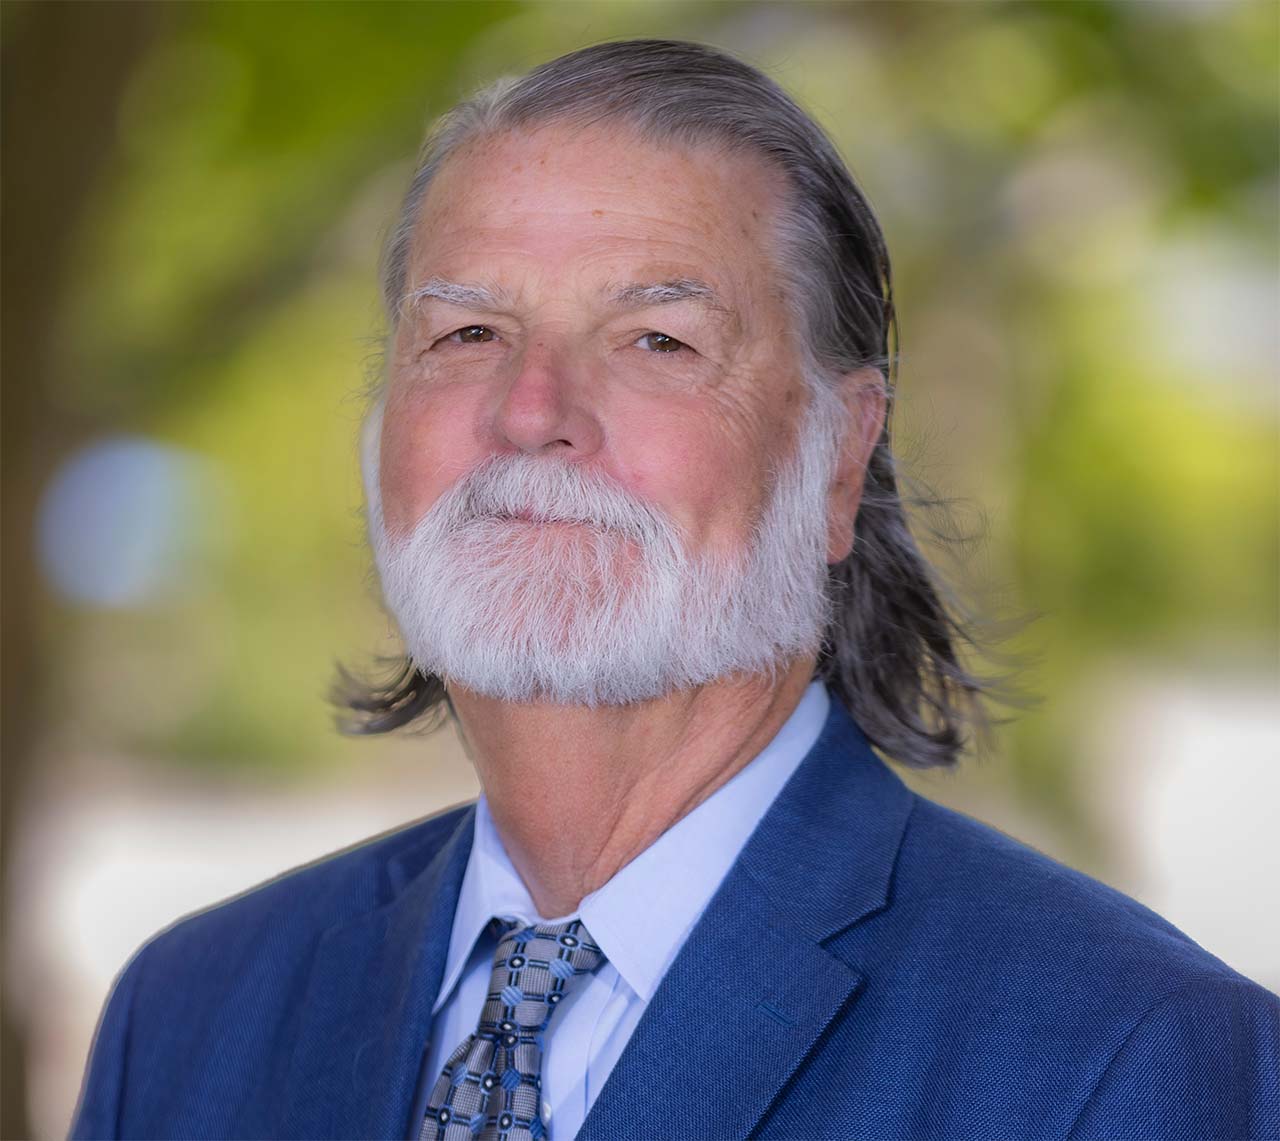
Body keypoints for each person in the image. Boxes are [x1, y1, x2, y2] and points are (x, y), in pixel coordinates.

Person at [72, 39, 1278, 1141]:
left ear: (839, 457)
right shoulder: (186, 1017)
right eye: (467, 334)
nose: (531, 411)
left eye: (658, 342)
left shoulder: (1124, 1059)